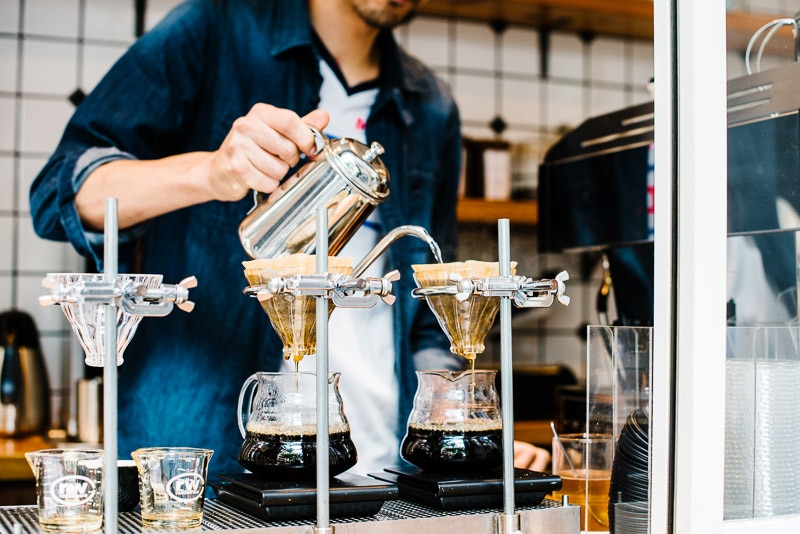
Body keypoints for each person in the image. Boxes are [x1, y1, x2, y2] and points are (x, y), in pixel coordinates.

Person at [30, 0, 549, 480]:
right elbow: (62, 193)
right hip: (206, 465)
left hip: (376, 467)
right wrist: (213, 172)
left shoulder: (430, 106)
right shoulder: (217, 29)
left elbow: (427, 315)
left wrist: (459, 421)